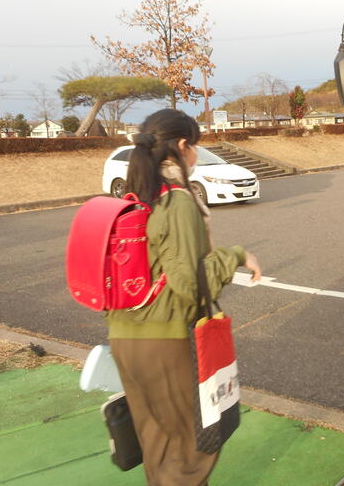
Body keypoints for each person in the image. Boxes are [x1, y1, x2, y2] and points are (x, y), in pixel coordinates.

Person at [106, 109, 261, 486]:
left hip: (125, 338)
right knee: (191, 451)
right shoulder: (176, 202)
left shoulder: (136, 196)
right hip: (166, 341)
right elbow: (191, 284)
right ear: (181, 146)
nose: (195, 155)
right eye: (195, 146)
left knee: (157, 446)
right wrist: (236, 256)